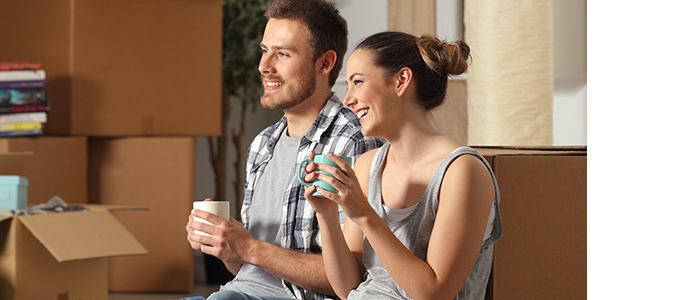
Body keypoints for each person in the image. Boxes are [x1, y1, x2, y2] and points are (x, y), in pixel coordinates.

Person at [184, 0, 382, 299]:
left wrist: (251, 247)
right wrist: (225, 245)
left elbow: (355, 280)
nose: (264, 66)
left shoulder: (353, 141)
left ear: (325, 63)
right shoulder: (262, 144)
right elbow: (249, 271)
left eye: (283, 54)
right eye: (265, 51)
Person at [300, 31, 502, 300]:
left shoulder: (462, 171)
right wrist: (325, 215)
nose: (347, 99)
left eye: (357, 82)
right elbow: (347, 286)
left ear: (401, 81)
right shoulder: (367, 165)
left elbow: (434, 293)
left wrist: (363, 215)